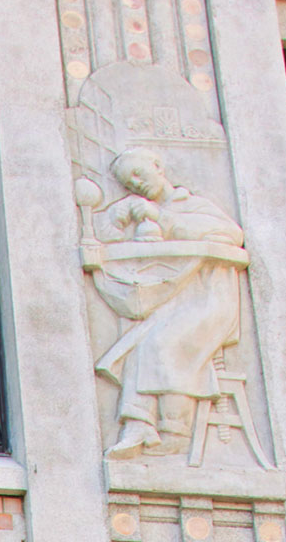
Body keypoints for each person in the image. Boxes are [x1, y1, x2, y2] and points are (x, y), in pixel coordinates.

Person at [92, 148, 245, 459]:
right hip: (175, 302)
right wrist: (114, 218)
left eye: (138, 174)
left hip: (211, 303)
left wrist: (161, 216)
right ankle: (138, 426)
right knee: (137, 345)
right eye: (127, 182)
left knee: (162, 343)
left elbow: (231, 234)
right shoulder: (139, 210)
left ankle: (174, 432)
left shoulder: (192, 205)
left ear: (157, 166)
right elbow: (103, 238)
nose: (135, 184)